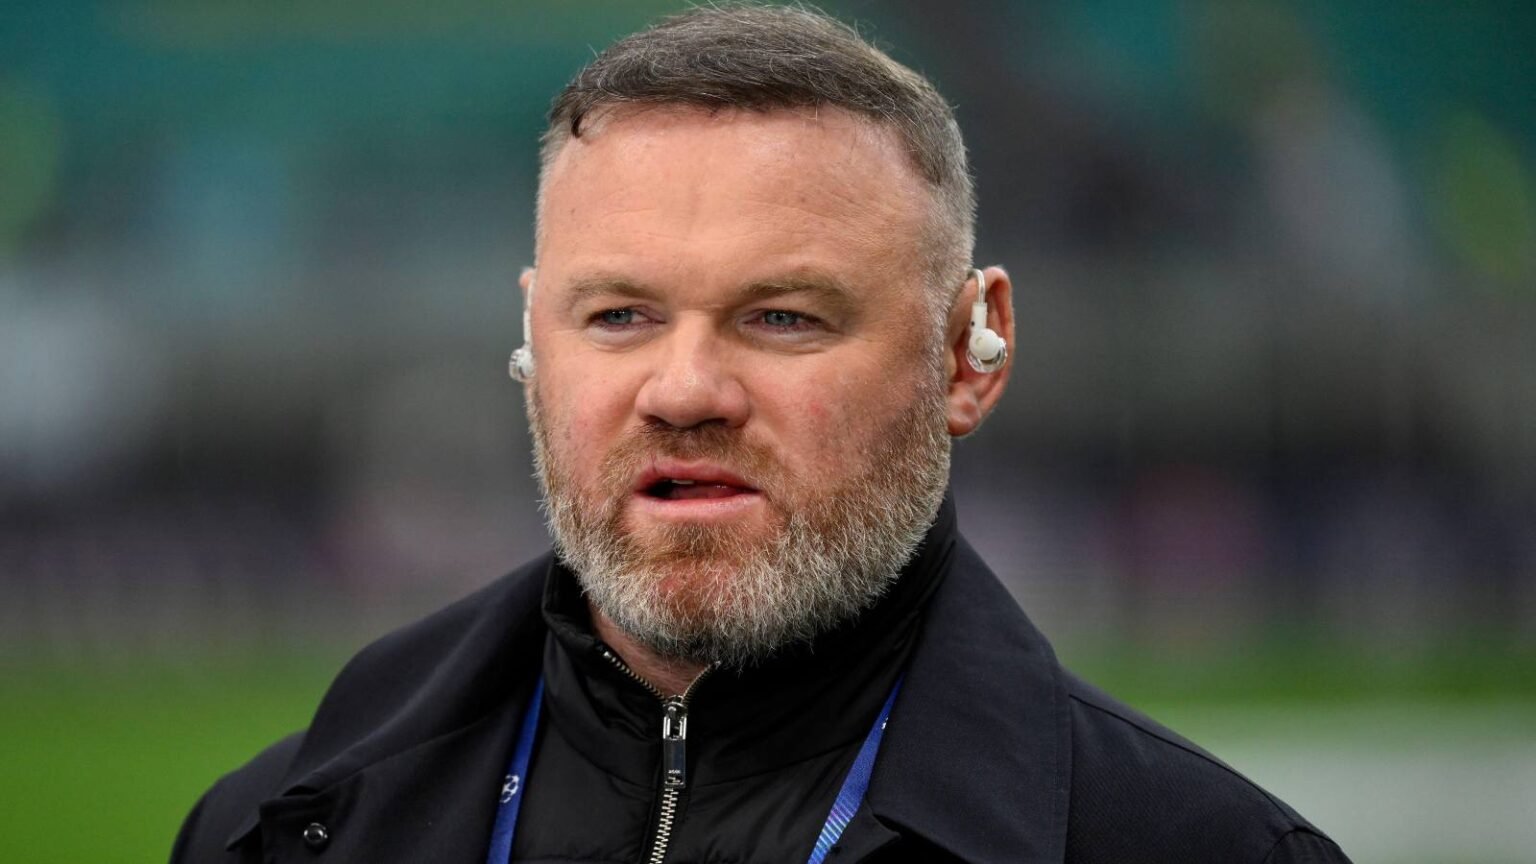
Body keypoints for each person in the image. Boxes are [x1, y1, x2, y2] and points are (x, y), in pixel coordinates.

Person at [172, 6, 1350, 863]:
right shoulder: (279, 828)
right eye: (619, 316)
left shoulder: (1200, 849)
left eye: (783, 317)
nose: (685, 391)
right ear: (532, 340)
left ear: (967, 352)